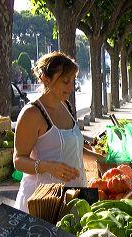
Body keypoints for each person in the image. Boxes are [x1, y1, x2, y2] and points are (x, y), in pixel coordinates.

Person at [14, 52, 87, 213]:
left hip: (71, 198)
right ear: (46, 79)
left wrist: (101, 157)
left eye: (72, 81)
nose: (71, 87)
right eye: (65, 81)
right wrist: (48, 166)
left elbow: (73, 145)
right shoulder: (32, 113)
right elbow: (18, 161)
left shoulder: (66, 106)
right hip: (41, 204)